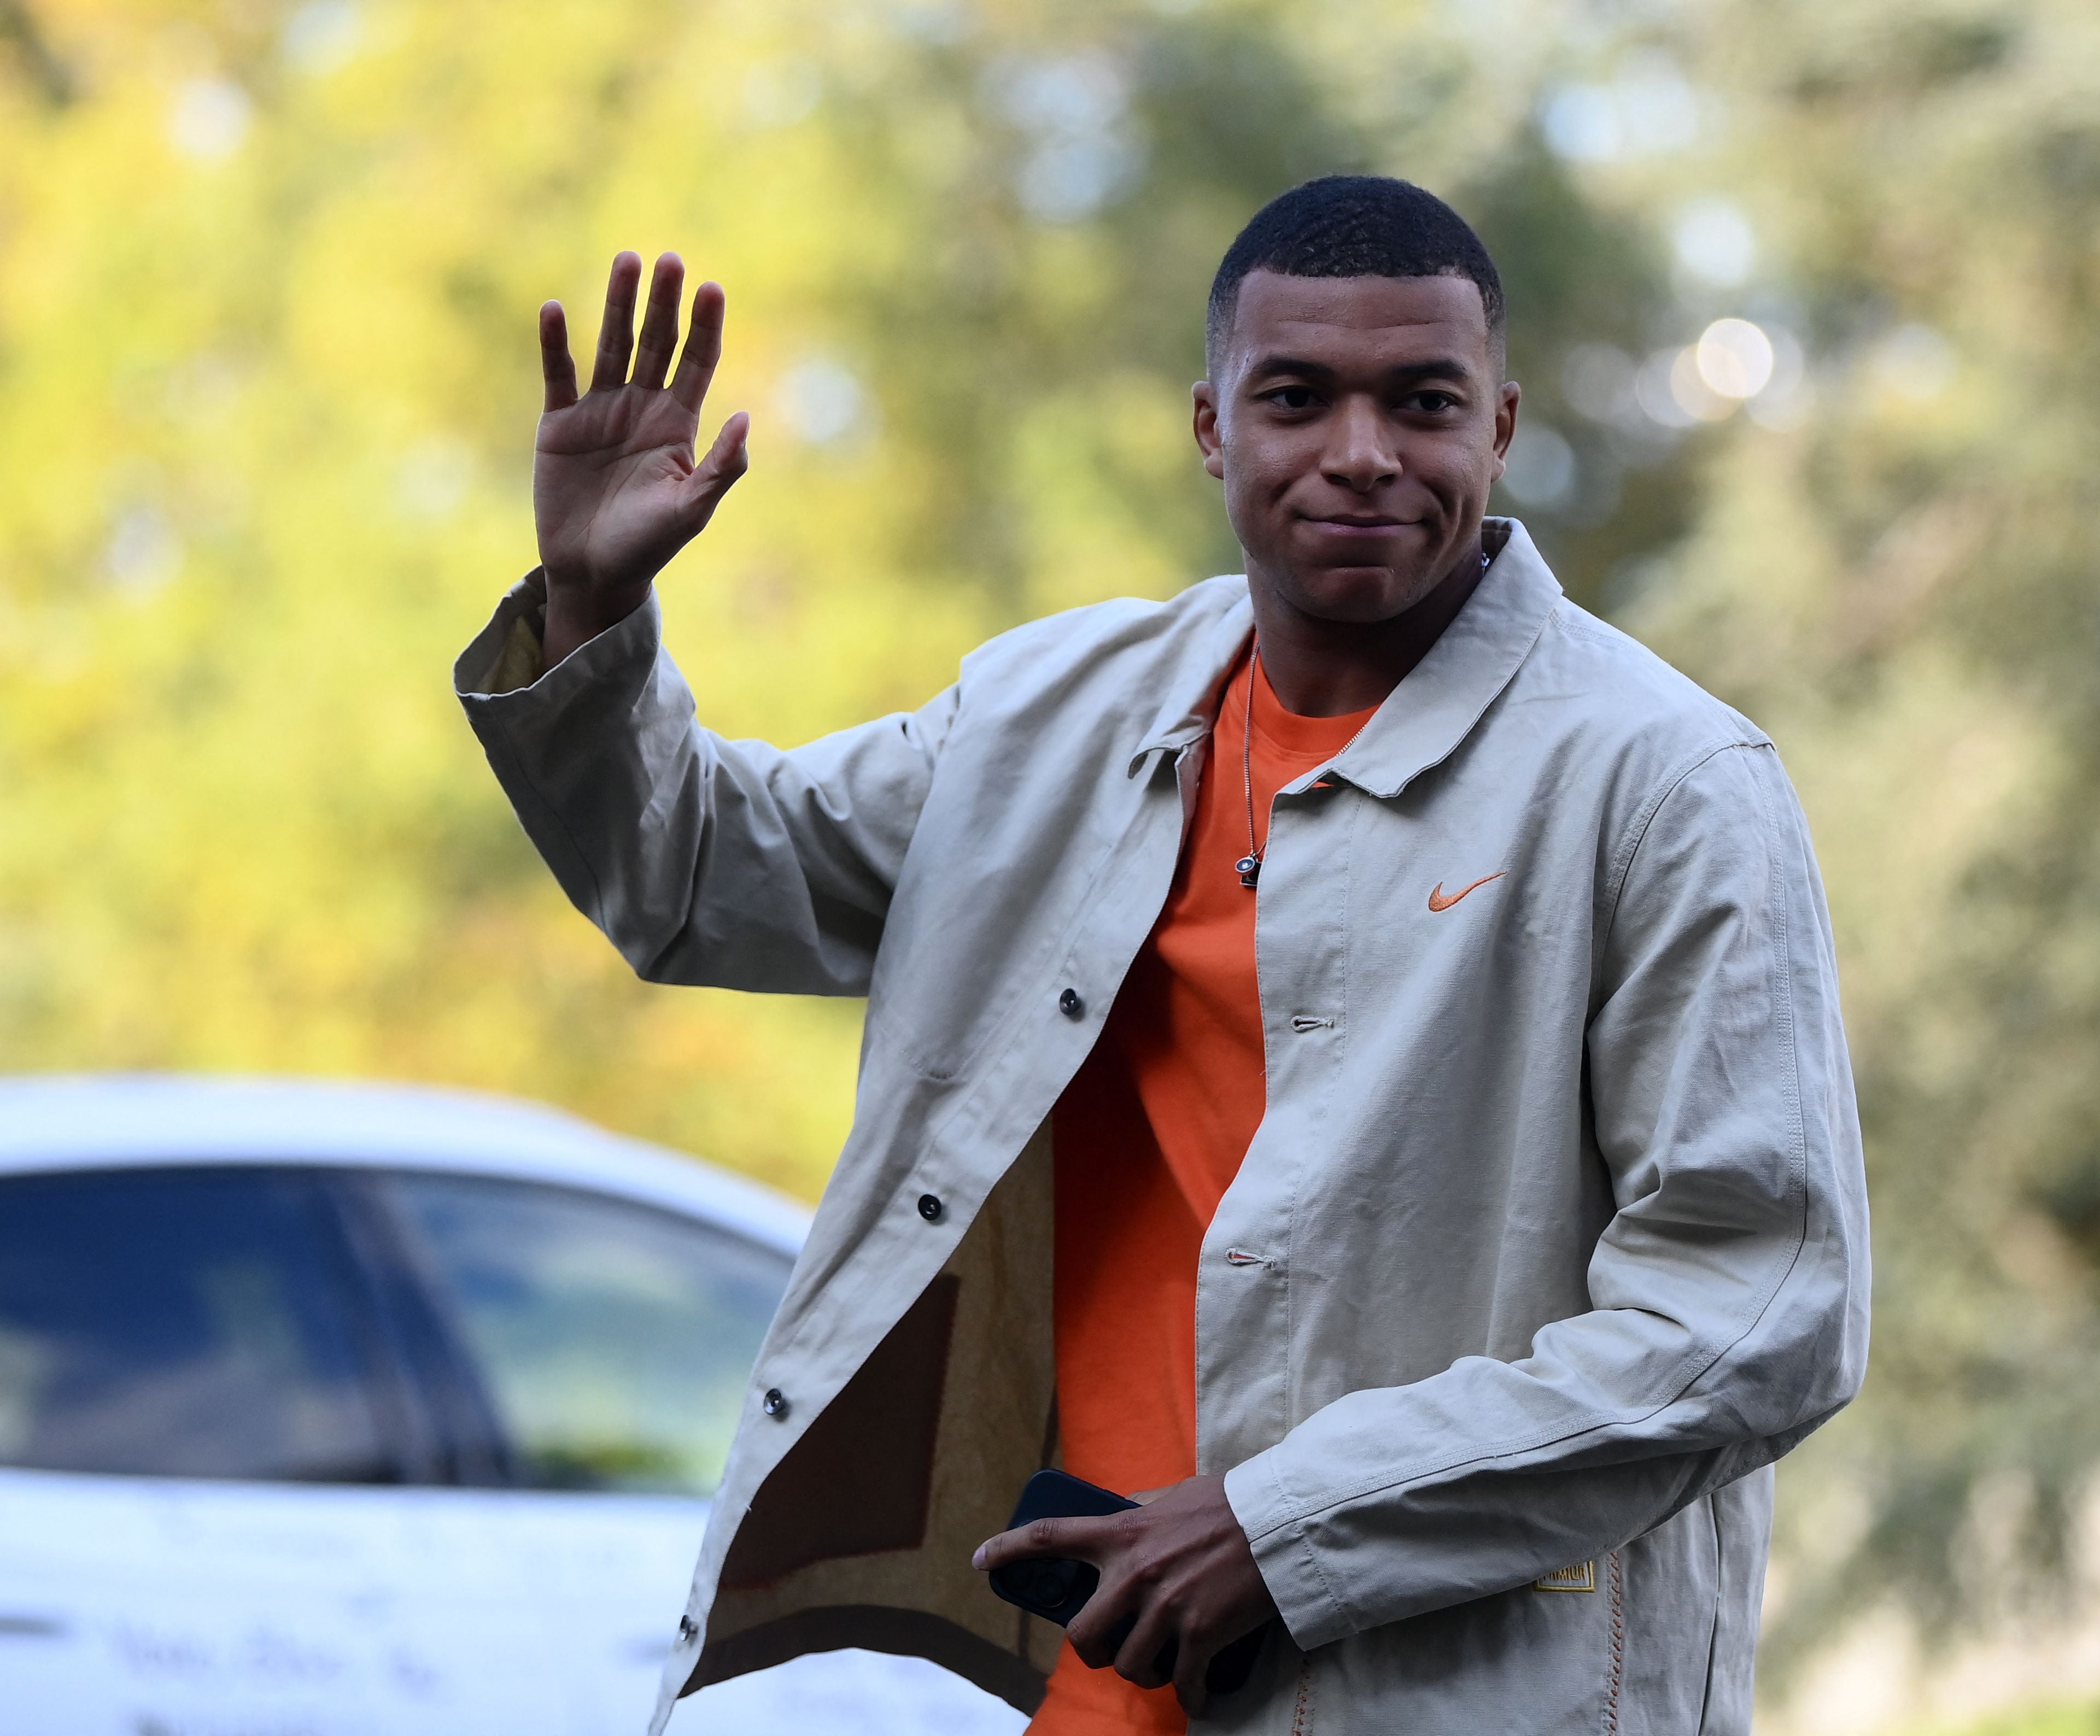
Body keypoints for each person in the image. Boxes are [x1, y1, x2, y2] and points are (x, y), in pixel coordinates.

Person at [457, 176, 1868, 1735]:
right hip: (1103, 1692)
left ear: (1501, 427)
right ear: (1210, 427)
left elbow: (1756, 1314)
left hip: (1464, 1696)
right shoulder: (1057, 716)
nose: (1358, 453)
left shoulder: (1661, 783)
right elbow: (704, 878)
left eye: (1419, 403)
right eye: (1295, 398)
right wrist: (594, 607)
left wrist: (1288, 1527)